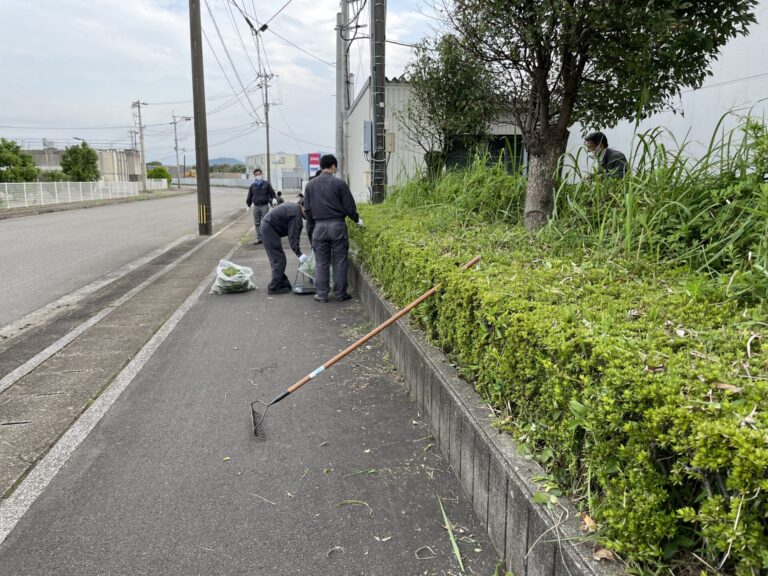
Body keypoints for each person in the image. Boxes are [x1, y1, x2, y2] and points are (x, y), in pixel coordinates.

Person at [303, 154, 363, 303]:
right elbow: (349, 207)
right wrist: (357, 219)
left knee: (321, 262)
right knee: (340, 261)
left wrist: (312, 230)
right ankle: (340, 293)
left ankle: (322, 294)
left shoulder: (310, 185)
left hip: (319, 227)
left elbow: (308, 211)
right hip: (337, 226)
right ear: (333, 166)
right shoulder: (339, 184)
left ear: (321, 166)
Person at [260, 201, 308, 295]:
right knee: (279, 260)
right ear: (303, 207)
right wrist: (299, 254)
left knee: (277, 258)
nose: (309, 215)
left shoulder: (294, 208)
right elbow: (293, 237)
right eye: (308, 212)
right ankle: (273, 287)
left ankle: (283, 282)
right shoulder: (296, 215)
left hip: (267, 227)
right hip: (269, 229)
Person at [246, 168, 277, 245]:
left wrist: (273, 199)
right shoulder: (253, 186)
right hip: (256, 206)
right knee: (257, 223)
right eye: (256, 174)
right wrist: (248, 205)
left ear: (262, 174)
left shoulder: (267, 184)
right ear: (254, 176)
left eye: (259, 174)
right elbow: (249, 196)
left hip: (264, 206)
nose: (258, 175)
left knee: (265, 222)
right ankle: (259, 238)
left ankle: (266, 238)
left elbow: (272, 193)